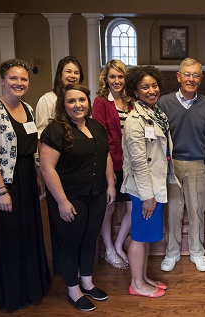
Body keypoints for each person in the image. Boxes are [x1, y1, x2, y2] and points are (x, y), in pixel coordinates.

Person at [0, 59, 50, 312]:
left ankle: (33, 287)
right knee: (9, 238)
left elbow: (32, 150)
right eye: (13, 78)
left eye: (23, 79)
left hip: (27, 179)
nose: (19, 83)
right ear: (2, 80)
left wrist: (40, 176)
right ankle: (13, 294)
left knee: (29, 233)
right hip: (4, 182)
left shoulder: (29, 108)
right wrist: (1, 191)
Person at [40, 84, 116, 312]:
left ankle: (88, 283)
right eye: (71, 101)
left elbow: (106, 156)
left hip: (96, 194)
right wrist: (62, 201)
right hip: (70, 197)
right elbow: (47, 168)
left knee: (89, 239)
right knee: (70, 243)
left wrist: (110, 184)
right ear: (63, 104)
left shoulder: (95, 126)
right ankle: (73, 290)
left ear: (88, 101)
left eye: (81, 100)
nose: (77, 105)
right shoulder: (55, 131)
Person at [121, 66, 180, 298]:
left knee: (145, 237)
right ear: (135, 91)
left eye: (154, 85)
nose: (151, 90)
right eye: (145, 86)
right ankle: (136, 284)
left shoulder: (156, 113)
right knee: (139, 235)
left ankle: (142, 277)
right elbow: (138, 162)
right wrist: (147, 196)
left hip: (156, 185)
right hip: (143, 189)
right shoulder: (135, 120)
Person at [158, 58, 205, 272]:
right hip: (172, 165)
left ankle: (197, 252)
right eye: (187, 74)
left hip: (197, 165)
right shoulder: (164, 103)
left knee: (196, 211)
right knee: (173, 211)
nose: (191, 79)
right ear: (179, 77)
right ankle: (171, 252)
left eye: (195, 75)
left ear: (200, 79)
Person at [35, 55, 84, 275]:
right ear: (59, 75)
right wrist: (40, 171)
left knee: (75, 219)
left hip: (75, 167)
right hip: (55, 166)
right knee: (59, 218)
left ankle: (78, 264)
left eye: (76, 72)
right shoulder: (47, 99)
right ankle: (62, 267)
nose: (72, 76)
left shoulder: (80, 99)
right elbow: (40, 137)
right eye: (68, 72)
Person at [92, 59, 133, 270]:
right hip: (111, 165)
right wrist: (109, 173)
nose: (117, 81)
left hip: (131, 166)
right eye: (112, 77)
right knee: (108, 209)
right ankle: (108, 250)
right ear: (106, 79)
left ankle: (118, 245)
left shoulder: (131, 102)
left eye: (120, 76)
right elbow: (101, 138)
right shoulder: (101, 102)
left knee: (133, 208)